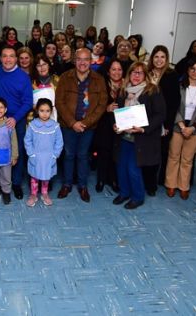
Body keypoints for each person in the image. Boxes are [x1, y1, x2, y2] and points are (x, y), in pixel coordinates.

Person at [55, 48, 108, 203]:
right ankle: (67, 184)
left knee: (83, 155)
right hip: (68, 125)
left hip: (88, 126)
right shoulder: (65, 77)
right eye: (79, 59)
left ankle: (83, 186)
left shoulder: (99, 79)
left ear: (91, 61)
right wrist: (73, 123)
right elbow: (59, 102)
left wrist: (85, 123)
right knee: (69, 154)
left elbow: (102, 104)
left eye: (86, 59)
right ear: (74, 60)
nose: (82, 62)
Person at [112, 62, 166, 209]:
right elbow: (118, 114)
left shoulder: (153, 91)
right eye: (133, 72)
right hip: (124, 137)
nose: (136, 76)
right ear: (129, 74)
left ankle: (138, 197)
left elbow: (160, 115)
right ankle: (124, 193)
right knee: (121, 167)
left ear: (145, 75)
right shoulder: (123, 91)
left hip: (142, 138)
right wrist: (116, 125)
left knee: (133, 169)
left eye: (140, 73)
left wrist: (144, 129)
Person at [0, 46, 33, 199]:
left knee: (18, 152)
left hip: (17, 120)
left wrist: (15, 118)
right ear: (1, 58)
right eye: (5, 56)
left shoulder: (23, 77)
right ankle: (0, 183)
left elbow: (28, 102)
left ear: (16, 59)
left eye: (11, 56)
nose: (8, 59)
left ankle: (16, 183)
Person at [165, 57, 196, 200]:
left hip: (195, 127)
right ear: (187, 70)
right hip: (179, 125)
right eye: (192, 68)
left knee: (188, 159)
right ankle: (171, 184)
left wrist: (193, 127)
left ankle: (184, 186)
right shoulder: (179, 86)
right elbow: (174, 105)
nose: (195, 72)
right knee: (174, 156)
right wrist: (182, 125)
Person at [148, 45, 181, 194]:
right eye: (156, 56)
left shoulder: (172, 75)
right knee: (146, 150)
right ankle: (146, 179)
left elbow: (174, 102)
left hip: (163, 121)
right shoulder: (147, 73)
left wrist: (167, 124)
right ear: (152, 58)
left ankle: (156, 181)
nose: (159, 60)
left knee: (160, 152)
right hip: (146, 118)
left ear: (167, 59)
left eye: (162, 57)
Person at [24, 98, 64, 207]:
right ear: (37, 111)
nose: (45, 114)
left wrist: (55, 155)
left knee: (46, 177)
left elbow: (59, 142)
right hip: (36, 156)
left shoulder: (55, 126)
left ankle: (45, 194)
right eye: (42, 110)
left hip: (49, 157)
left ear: (51, 111)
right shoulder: (32, 125)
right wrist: (31, 154)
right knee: (34, 177)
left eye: (47, 111)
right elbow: (27, 140)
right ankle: (33, 194)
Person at [93, 59, 125, 192]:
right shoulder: (102, 85)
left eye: (119, 69)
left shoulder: (127, 86)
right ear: (108, 71)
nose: (116, 72)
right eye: (113, 69)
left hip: (122, 125)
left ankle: (113, 180)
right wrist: (106, 108)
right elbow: (94, 105)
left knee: (116, 153)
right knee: (103, 152)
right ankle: (101, 179)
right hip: (104, 123)